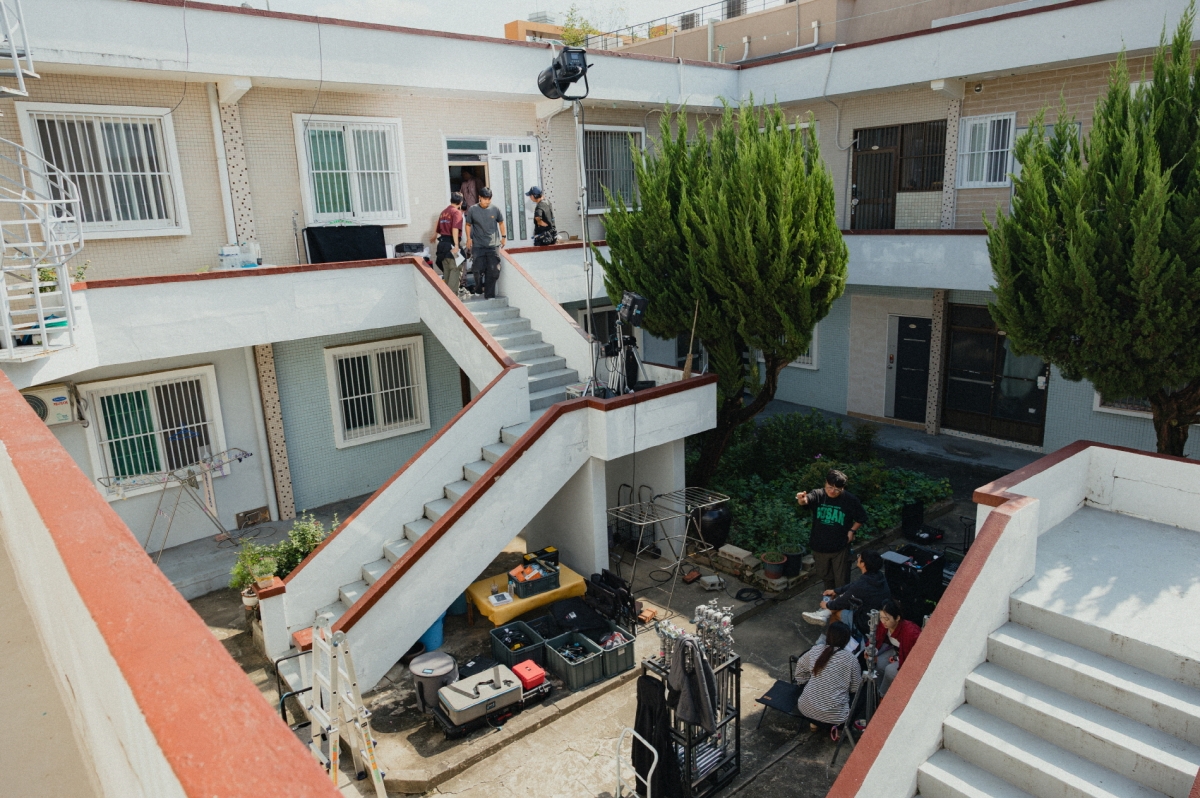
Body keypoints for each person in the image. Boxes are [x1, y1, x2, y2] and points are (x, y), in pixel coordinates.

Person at [796, 469, 868, 592]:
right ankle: (829, 599)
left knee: (842, 580)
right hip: (819, 546)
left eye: (837, 489)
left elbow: (862, 518)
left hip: (840, 547)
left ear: (843, 488)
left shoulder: (850, 500)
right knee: (825, 576)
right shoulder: (818, 494)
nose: (832, 491)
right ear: (825, 483)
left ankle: (842, 601)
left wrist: (852, 531)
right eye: (829, 487)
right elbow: (807, 500)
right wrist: (802, 500)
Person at [793, 622, 862, 741]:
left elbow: (799, 672)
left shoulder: (815, 650)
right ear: (846, 640)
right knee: (863, 693)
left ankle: (814, 723)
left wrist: (806, 683)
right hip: (835, 717)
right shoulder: (851, 659)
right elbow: (855, 688)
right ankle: (838, 729)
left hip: (805, 709)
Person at [803, 549, 889, 628]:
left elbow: (845, 599)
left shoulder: (863, 584)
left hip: (866, 622)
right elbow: (853, 585)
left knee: (836, 612)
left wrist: (827, 605)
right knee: (839, 604)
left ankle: (833, 635)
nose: (858, 557)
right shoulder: (879, 576)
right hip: (878, 616)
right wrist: (835, 591)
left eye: (859, 556)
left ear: (863, 564)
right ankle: (823, 614)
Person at [464, 187, 506, 299]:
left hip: (493, 245)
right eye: (485, 199)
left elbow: (501, 223)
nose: (487, 201)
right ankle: (478, 288)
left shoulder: (495, 209)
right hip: (478, 245)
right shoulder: (473, 209)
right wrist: (468, 239)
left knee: (494, 270)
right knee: (477, 269)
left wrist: (504, 237)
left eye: (489, 199)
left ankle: (489, 294)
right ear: (480, 198)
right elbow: (468, 225)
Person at [874, 599, 921, 696]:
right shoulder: (884, 624)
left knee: (890, 671)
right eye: (881, 617)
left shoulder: (910, 633)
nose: (883, 621)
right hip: (895, 650)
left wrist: (896, 658)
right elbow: (877, 637)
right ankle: (877, 690)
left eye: (886, 619)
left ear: (897, 618)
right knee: (880, 662)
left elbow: (912, 656)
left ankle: (882, 695)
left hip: (908, 657)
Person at [430, 192, 464, 292]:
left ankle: (447, 297)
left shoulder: (443, 212)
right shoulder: (456, 212)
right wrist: (456, 245)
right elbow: (455, 228)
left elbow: (437, 223)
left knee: (447, 271)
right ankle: (452, 298)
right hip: (451, 245)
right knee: (456, 268)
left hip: (442, 246)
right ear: (461, 202)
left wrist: (434, 235)